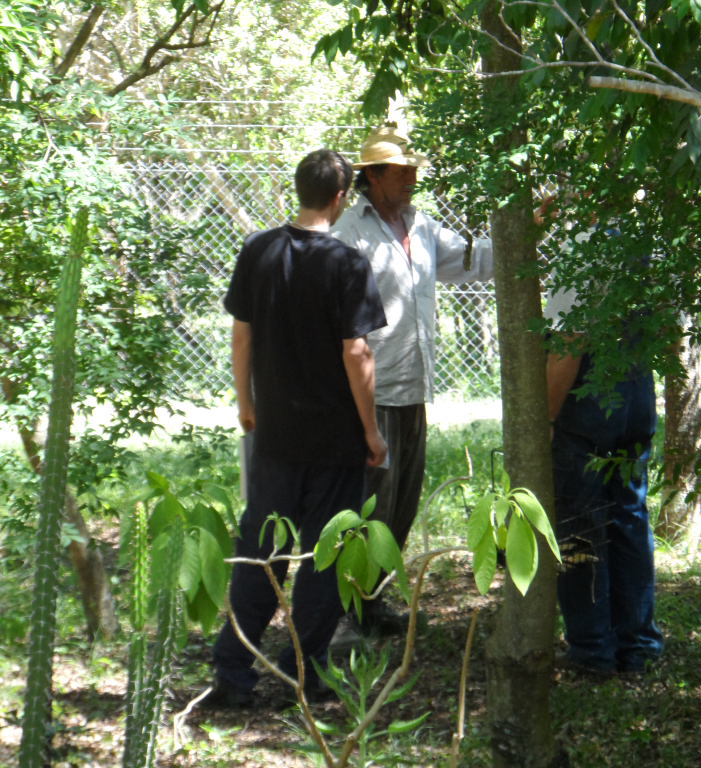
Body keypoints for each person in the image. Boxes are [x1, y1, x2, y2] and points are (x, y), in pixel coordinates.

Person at [207, 149, 388, 707]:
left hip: (275, 435)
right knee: (323, 556)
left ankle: (233, 671)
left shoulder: (258, 250)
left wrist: (247, 403)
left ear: (300, 189)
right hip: (335, 439)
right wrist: (372, 432)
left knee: (261, 550)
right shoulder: (348, 263)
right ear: (340, 197)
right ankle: (304, 674)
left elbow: (241, 335)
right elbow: (356, 352)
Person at [329, 126, 493, 631]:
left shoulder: (422, 226)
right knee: (369, 502)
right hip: (371, 392)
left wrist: (529, 230)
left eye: (413, 171)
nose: (411, 179)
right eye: (402, 171)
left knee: (402, 500)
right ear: (373, 176)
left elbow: (472, 261)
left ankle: (373, 602)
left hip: (414, 387)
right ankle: (345, 610)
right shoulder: (349, 233)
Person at [546, 278, 664, 677]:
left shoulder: (581, 255)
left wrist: (545, 417)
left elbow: (568, 344)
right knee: (630, 517)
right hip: (637, 396)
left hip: (589, 406)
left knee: (579, 527)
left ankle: (592, 650)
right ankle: (639, 645)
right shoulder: (651, 251)